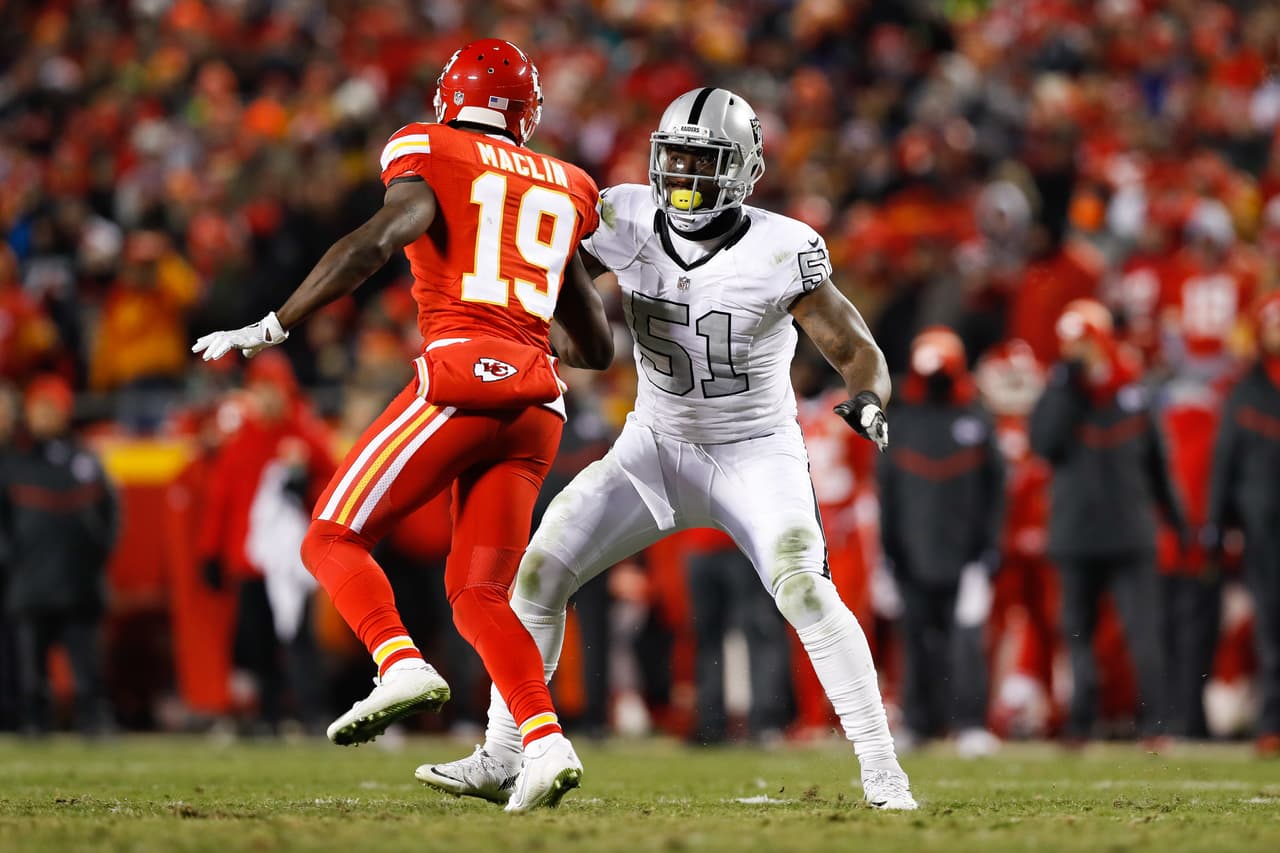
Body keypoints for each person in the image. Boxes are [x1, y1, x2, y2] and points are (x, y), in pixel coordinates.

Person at [422, 87, 916, 810]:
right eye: (675, 158)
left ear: (745, 170)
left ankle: (881, 768)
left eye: (703, 161)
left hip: (754, 450)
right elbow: (549, 282)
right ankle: (503, 751)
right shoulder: (621, 216)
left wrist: (869, 395)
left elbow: (853, 344)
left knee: (805, 588)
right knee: (537, 573)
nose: (684, 176)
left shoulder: (783, 247)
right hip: (652, 445)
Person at [193, 39, 614, 811]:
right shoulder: (568, 183)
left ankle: (398, 661)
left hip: (461, 378)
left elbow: (377, 242)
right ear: (525, 113)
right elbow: (596, 344)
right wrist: (521, 329)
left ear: (452, 98)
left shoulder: (432, 150)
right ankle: (545, 741)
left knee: (330, 535)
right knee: (480, 592)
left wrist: (272, 325)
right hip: (537, 406)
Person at [1029, 299, 1187, 744]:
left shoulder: (1133, 392)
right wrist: (1067, 387)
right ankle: (1081, 723)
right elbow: (1043, 443)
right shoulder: (1061, 389)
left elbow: (1158, 465)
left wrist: (1178, 523)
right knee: (1077, 634)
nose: (1078, 352)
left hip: (1130, 533)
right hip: (1076, 535)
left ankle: (1155, 726)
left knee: (1143, 633)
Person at [878, 327, 1004, 756]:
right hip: (911, 554)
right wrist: (888, 554)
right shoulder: (903, 422)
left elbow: (995, 492)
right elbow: (888, 493)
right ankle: (919, 723)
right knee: (914, 642)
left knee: (966, 643)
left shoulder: (976, 418)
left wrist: (987, 552)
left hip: (965, 556)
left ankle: (969, 722)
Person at [197, 352, 337, 734]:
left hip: (292, 564)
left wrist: (307, 488)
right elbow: (221, 501)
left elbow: (336, 489)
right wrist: (211, 552)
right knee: (257, 641)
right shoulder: (242, 442)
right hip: (249, 561)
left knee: (299, 639)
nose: (269, 398)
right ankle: (268, 714)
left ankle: (310, 711)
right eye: (262, 389)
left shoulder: (305, 437)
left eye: (274, 388)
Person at [0, 374, 118, 735]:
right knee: (30, 669)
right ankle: (33, 720)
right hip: (30, 581)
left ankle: (92, 718)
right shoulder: (12, 462)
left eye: (51, 408)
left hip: (78, 581)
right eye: (38, 408)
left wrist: (95, 557)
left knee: (86, 665)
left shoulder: (86, 460)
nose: (44, 416)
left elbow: (109, 515)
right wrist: (12, 560)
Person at [1207, 292, 1280, 757]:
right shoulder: (1244, 390)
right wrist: (1217, 524)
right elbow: (1224, 463)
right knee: (1271, 628)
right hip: (1264, 527)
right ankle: (1273, 723)